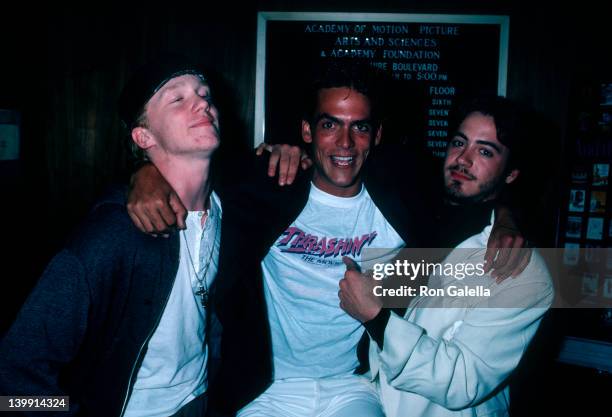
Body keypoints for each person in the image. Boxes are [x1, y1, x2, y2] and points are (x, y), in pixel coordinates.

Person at [127, 64, 531, 417]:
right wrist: (144, 172)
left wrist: (511, 216)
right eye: (329, 124)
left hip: (354, 389)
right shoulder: (268, 186)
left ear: (376, 136)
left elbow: (472, 190)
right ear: (306, 130)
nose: (344, 142)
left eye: (360, 127)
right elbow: (189, 174)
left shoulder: (404, 196)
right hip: (267, 389)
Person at [0, 54, 301, 417]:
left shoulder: (231, 209)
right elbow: (11, 379)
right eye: (177, 98)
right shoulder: (109, 239)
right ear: (143, 136)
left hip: (205, 401)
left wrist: (293, 152)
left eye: (204, 93)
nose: (202, 101)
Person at [338, 95, 554, 417]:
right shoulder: (416, 214)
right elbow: (341, 158)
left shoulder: (522, 272)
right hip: (368, 398)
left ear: (511, 174)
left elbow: (463, 382)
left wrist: (376, 317)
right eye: (458, 142)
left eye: (484, 151)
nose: (463, 159)